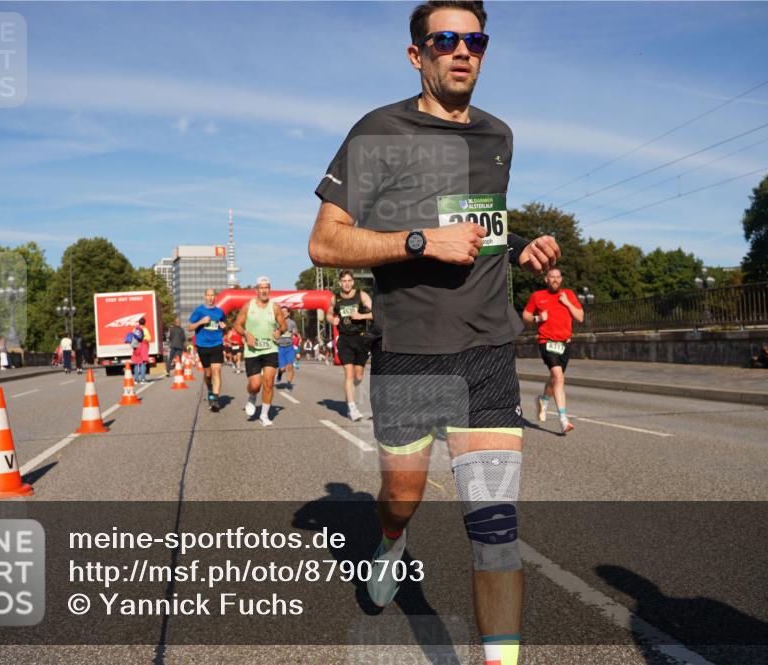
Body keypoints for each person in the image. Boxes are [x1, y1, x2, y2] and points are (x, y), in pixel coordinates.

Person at [307, 3, 561, 662]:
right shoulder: (377, 131)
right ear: (416, 53)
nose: (461, 51)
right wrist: (421, 241)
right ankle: (390, 541)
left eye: (474, 40)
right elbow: (325, 242)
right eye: (444, 39)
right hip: (411, 355)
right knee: (402, 496)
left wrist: (525, 246)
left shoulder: (498, 135)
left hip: (486, 351)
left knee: (496, 530)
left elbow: (484, 228)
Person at [522, 268, 584, 435]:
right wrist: (537, 318)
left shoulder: (568, 294)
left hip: (565, 344)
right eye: (552, 277)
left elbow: (580, 317)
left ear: (561, 279)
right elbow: (525, 316)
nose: (555, 280)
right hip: (546, 341)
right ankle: (563, 420)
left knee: (555, 379)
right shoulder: (537, 296)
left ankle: (544, 399)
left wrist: (568, 303)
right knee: (558, 376)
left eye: (558, 277)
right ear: (546, 280)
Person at [233, 277, 287, 427]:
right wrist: (245, 334)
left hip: (270, 349)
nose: (264, 290)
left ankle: (264, 415)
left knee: (268, 383)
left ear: (269, 289)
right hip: (252, 351)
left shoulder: (274, 307)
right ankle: (252, 395)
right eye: (261, 287)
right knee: (255, 385)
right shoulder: (248, 306)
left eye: (267, 287)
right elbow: (236, 324)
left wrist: (279, 332)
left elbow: (283, 326)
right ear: (256, 290)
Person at [327, 270, 373, 421]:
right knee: (348, 373)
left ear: (353, 282)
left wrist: (362, 316)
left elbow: (377, 313)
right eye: (344, 281)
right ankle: (352, 408)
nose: (346, 283)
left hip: (360, 339)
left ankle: (350, 391)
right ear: (340, 283)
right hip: (345, 339)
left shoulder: (362, 295)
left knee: (358, 376)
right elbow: (328, 313)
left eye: (349, 281)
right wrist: (331, 320)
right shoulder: (336, 299)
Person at [188, 289, 227, 412]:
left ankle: (215, 399)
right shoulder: (199, 311)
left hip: (216, 344)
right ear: (204, 296)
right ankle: (209, 388)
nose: (210, 298)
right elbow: (189, 327)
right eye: (208, 295)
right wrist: (201, 322)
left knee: (217, 370)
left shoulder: (220, 312)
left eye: (212, 295)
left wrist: (223, 327)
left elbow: (223, 325)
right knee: (208, 373)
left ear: (215, 297)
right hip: (202, 345)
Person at [276, 306, 298, 389]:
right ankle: (279, 374)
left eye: (285, 311)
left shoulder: (292, 322)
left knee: (290, 366)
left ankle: (289, 383)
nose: (284, 313)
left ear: (289, 313)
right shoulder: (276, 322)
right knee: (282, 369)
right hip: (280, 348)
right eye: (282, 312)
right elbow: (273, 333)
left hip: (289, 347)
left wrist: (295, 332)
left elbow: (295, 332)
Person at [130, 318, 150, 384]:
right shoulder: (145, 329)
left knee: (136, 363)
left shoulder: (135, 329)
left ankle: (136, 380)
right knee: (143, 363)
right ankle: (143, 379)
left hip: (136, 346)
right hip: (143, 346)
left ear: (139, 322)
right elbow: (149, 338)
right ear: (144, 323)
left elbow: (132, 336)